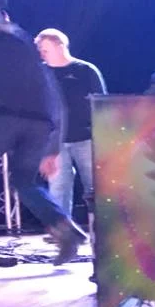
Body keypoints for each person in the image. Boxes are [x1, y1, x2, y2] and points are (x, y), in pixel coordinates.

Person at [0, 0, 86, 273]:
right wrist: (52, 144)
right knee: (25, 182)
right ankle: (63, 226)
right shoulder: (21, 38)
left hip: (2, 117)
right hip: (40, 121)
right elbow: (50, 88)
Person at [35, 28, 106, 241]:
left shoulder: (86, 70)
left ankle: (102, 231)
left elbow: (101, 103)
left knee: (96, 188)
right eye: (40, 49)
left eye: (45, 48)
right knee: (58, 188)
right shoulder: (40, 73)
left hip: (87, 138)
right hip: (54, 142)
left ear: (60, 46)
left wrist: (101, 134)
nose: (41, 53)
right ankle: (63, 234)